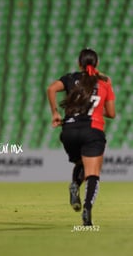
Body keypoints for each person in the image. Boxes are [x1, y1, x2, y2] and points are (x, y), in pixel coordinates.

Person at [47, 48, 116, 226]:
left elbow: (51, 89)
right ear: (97, 63)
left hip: (68, 131)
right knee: (93, 172)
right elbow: (111, 113)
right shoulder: (105, 81)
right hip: (92, 130)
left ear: (79, 64)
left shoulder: (70, 78)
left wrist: (55, 113)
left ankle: (75, 185)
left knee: (81, 163)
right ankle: (87, 209)